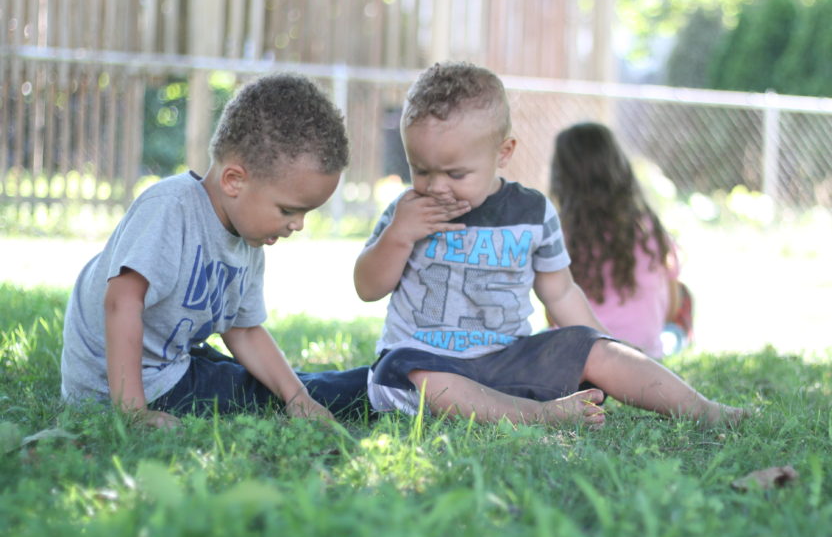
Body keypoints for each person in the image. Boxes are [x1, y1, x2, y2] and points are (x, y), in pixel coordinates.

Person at [353, 61, 746, 429]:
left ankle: (704, 410)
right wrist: (398, 235)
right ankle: (538, 414)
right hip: (426, 361)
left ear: (502, 153)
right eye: (420, 170)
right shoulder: (406, 211)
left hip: (509, 361)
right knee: (419, 373)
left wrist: (600, 345)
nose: (436, 186)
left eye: (456, 173)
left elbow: (559, 292)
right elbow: (367, 288)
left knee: (597, 348)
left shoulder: (532, 212)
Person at [61, 73, 369, 429]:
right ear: (234, 180)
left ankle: (319, 391)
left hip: (169, 362)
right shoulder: (170, 208)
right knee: (253, 394)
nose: (297, 225)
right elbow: (121, 303)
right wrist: (132, 412)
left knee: (273, 384)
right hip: (122, 386)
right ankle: (380, 389)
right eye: (288, 210)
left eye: (305, 213)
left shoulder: (248, 238)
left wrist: (297, 397)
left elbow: (245, 331)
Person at [549, 121, 686, 359]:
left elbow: (554, 315)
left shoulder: (559, 237)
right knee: (675, 329)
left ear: (561, 177)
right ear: (620, 169)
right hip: (644, 358)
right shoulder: (648, 229)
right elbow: (672, 307)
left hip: (578, 356)